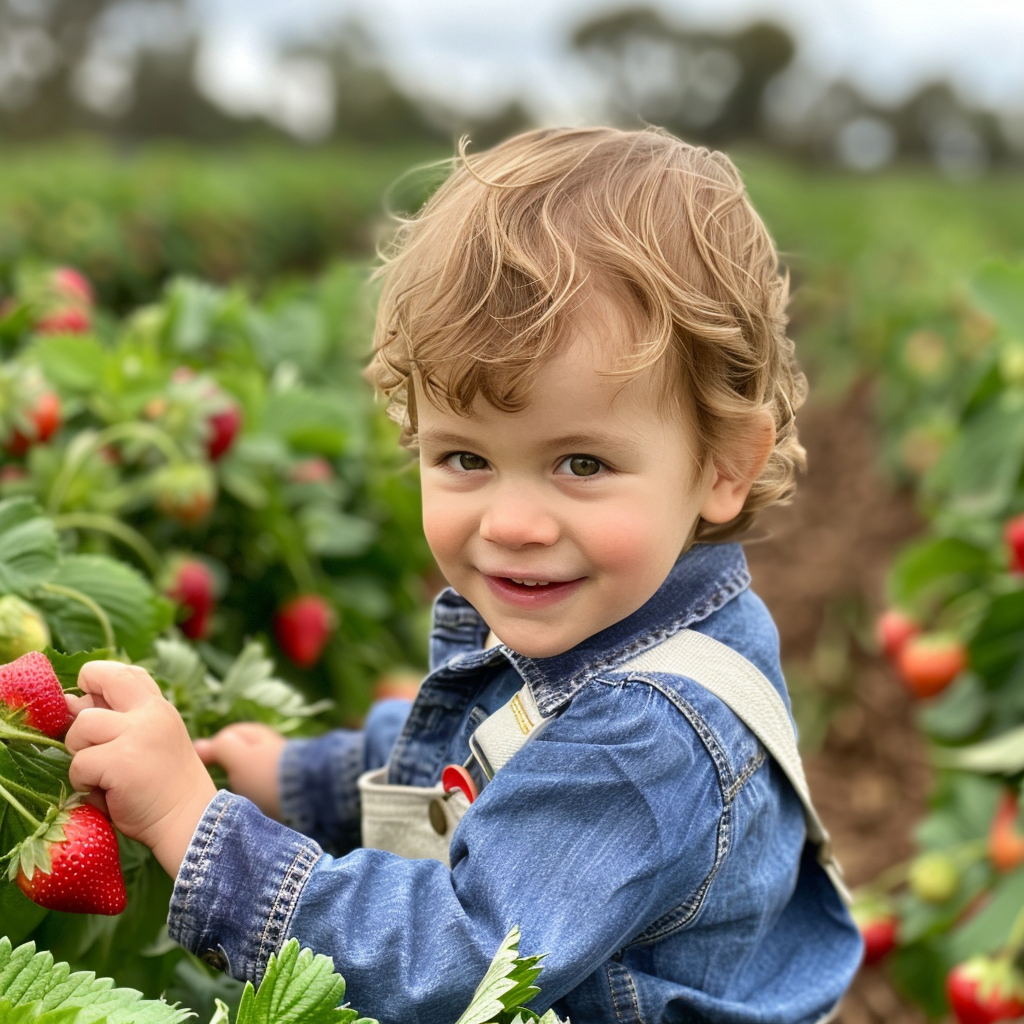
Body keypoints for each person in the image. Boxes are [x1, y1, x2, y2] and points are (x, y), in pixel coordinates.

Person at [64, 125, 863, 1024]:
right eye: (464, 458)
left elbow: (452, 964)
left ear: (724, 466)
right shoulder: (618, 623)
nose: (512, 525)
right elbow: (492, 753)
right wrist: (305, 776)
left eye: (583, 465)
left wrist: (190, 823)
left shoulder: (648, 737)